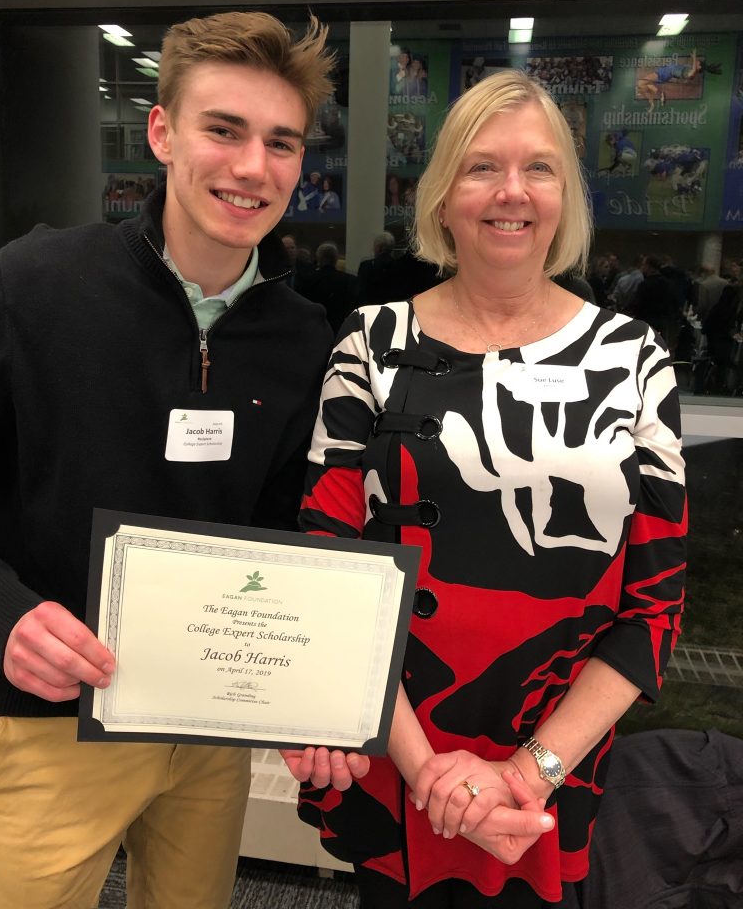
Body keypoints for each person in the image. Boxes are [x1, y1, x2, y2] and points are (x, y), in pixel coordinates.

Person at [286, 69, 686, 907]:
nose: (512, 192)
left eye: (538, 168)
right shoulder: (370, 343)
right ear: (442, 197)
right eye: (481, 167)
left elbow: (657, 604)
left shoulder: (633, 357)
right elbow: (325, 566)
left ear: (565, 196)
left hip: (555, 758)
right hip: (401, 748)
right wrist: (429, 770)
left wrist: (526, 772)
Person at [0, 10, 336, 909]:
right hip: (51, 723)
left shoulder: (301, 336)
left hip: (208, 732)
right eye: (224, 129)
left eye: (281, 142)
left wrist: (315, 696)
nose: (254, 167)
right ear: (162, 132)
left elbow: (283, 534)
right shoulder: (34, 286)